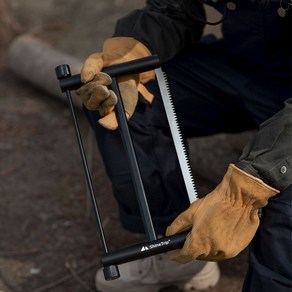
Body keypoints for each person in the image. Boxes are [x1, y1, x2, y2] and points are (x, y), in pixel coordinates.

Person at [76, 0, 292, 291]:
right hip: (248, 69)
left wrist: (251, 185)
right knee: (119, 98)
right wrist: (135, 49)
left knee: (284, 194)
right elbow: (174, 9)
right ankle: (177, 254)